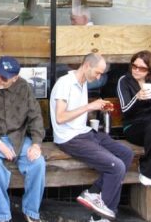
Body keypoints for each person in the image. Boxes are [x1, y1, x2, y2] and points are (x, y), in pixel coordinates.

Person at [50, 53, 134, 221]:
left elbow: (78, 113)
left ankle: (94, 192)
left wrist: (98, 108)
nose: (99, 76)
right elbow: (60, 117)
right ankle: (103, 215)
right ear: (87, 65)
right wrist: (89, 106)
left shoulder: (83, 83)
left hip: (84, 132)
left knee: (126, 154)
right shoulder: (64, 84)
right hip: (69, 138)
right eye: (98, 72)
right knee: (116, 167)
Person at [0, 56, 46, 222]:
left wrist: (36, 144)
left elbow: (35, 118)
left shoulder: (25, 88)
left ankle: (31, 212)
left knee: (38, 163)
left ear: (15, 78)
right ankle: (3, 215)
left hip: (18, 137)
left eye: (4, 77)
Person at [116, 50, 151, 187]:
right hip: (133, 127)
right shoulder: (124, 81)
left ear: (149, 70)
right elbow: (125, 110)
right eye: (134, 66)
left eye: (142, 68)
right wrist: (137, 98)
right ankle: (146, 171)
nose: (137, 70)